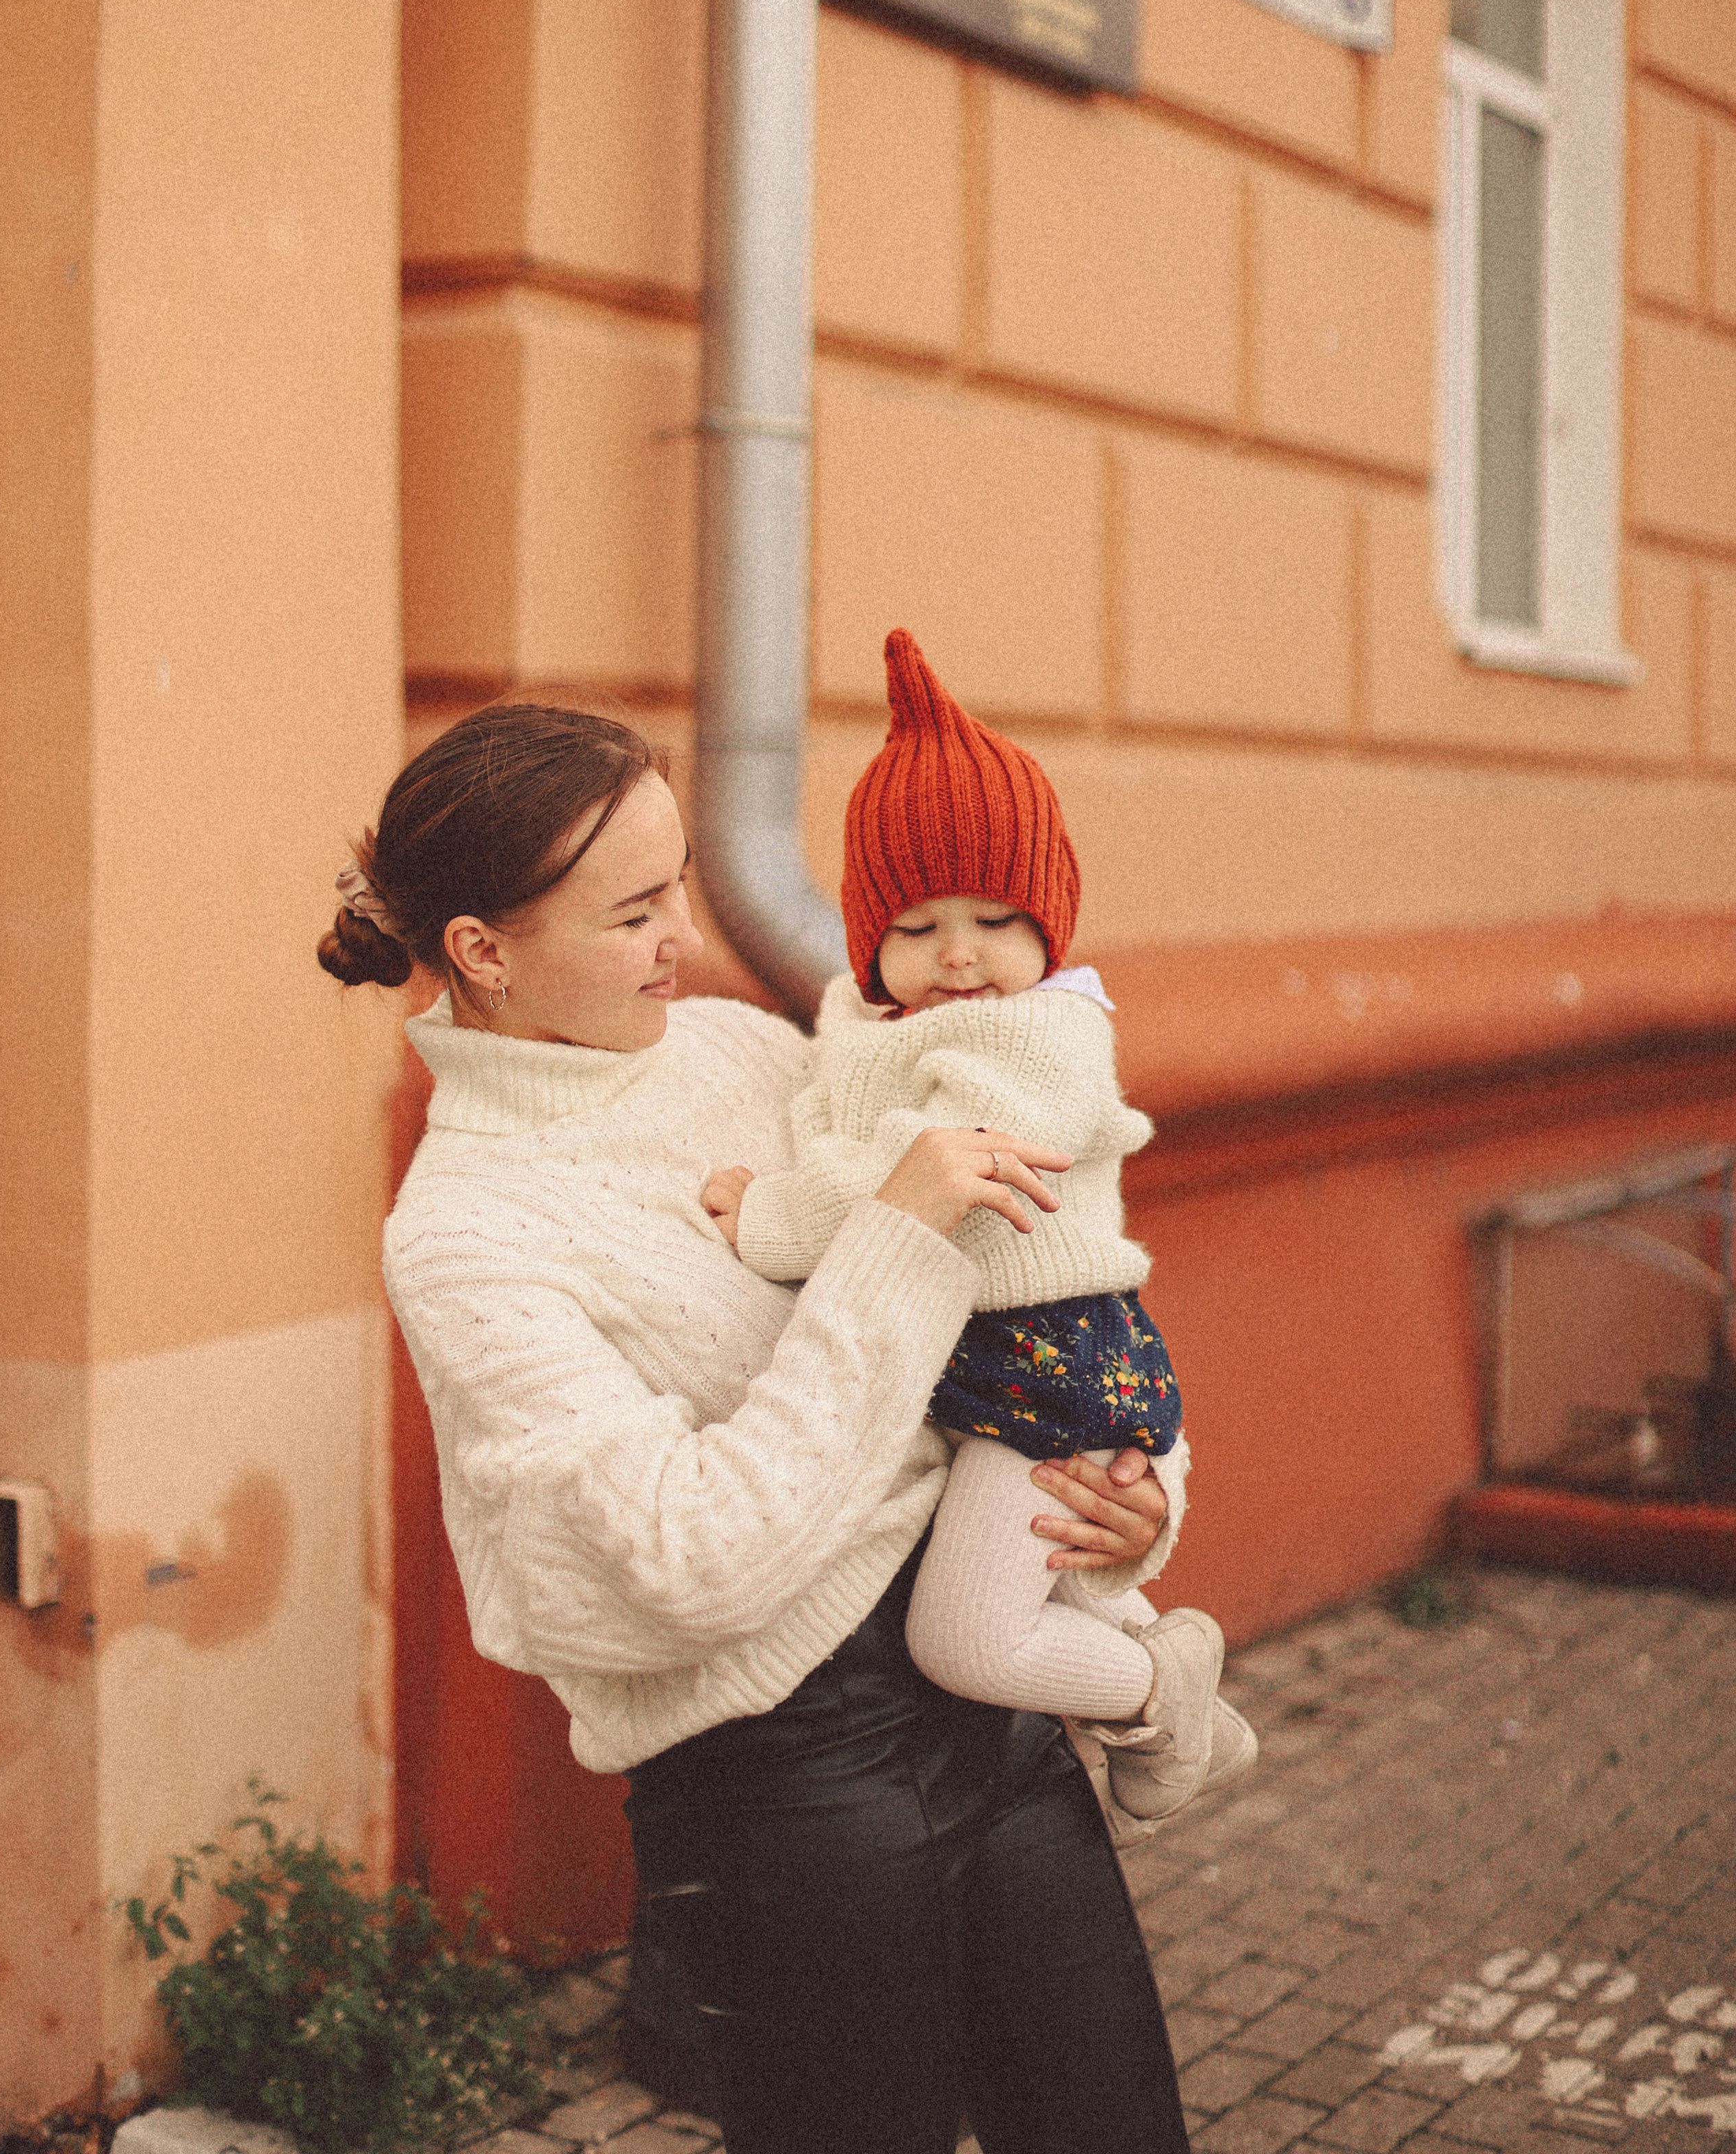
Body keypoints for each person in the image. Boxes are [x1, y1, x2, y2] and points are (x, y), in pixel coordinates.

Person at [321, 700, 1194, 2154]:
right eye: (634, 910)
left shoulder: (736, 1049)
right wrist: (892, 1237)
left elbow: (1015, 1282)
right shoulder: (465, 1235)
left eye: (676, 886)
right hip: (788, 1791)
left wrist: (1130, 1496)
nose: (685, 933)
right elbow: (689, 1557)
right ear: (480, 950)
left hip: (984, 1702)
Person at [700, 631, 1255, 1829]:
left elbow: (928, 1186)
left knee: (967, 1639)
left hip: (1046, 1366)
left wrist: (770, 1213)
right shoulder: (867, 1024)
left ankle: (1160, 1688)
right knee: (1072, 1591)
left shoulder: (1036, 1038)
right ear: (866, 938)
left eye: (996, 916)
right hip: (987, 1376)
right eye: (916, 923)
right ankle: (1179, 1715)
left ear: (1050, 924)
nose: (958, 952)